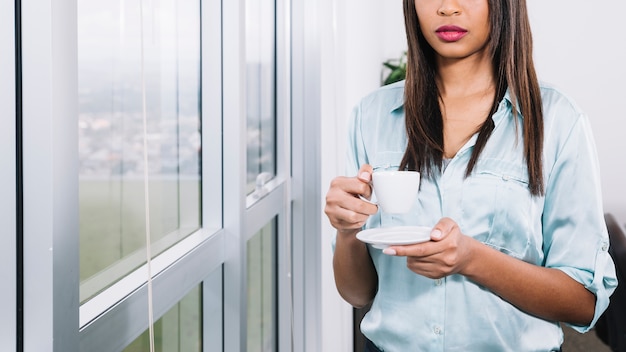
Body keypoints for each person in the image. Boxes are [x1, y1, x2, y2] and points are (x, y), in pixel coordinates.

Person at [324, 0, 618, 351]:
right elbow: (357, 293)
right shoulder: (370, 116)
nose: (448, 8)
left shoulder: (558, 120)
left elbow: (583, 304)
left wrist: (471, 258)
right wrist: (347, 231)